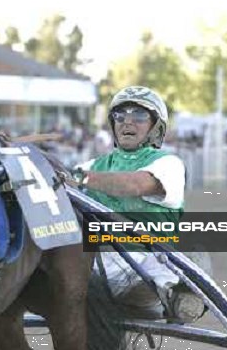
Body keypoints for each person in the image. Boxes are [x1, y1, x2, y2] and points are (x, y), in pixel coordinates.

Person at [76, 85, 210, 322]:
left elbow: (136, 185)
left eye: (138, 115)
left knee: (193, 253)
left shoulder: (169, 164)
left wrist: (79, 178)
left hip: (146, 268)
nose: (127, 122)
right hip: (92, 265)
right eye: (120, 115)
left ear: (155, 127)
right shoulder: (93, 165)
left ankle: (183, 295)